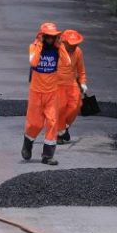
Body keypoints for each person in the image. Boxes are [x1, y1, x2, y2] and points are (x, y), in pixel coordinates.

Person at [24, 22, 72, 165]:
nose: (51, 39)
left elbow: (68, 62)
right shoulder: (33, 47)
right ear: (43, 36)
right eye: (48, 37)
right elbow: (33, 62)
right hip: (36, 92)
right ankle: (27, 143)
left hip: (51, 93)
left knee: (52, 122)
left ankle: (47, 155)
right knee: (35, 123)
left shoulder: (58, 49)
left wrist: (60, 46)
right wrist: (39, 45)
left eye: (53, 37)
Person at [56, 29, 87, 145]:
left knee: (76, 105)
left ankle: (64, 128)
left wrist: (83, 83)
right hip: (57, 84)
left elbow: (81, 70)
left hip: (71, 83)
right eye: (72, 44)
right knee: (60, 108)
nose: (74, 46)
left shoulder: (78, 52)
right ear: (64, 42)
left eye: (76, 44)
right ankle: (58, 133)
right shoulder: (56, 51)